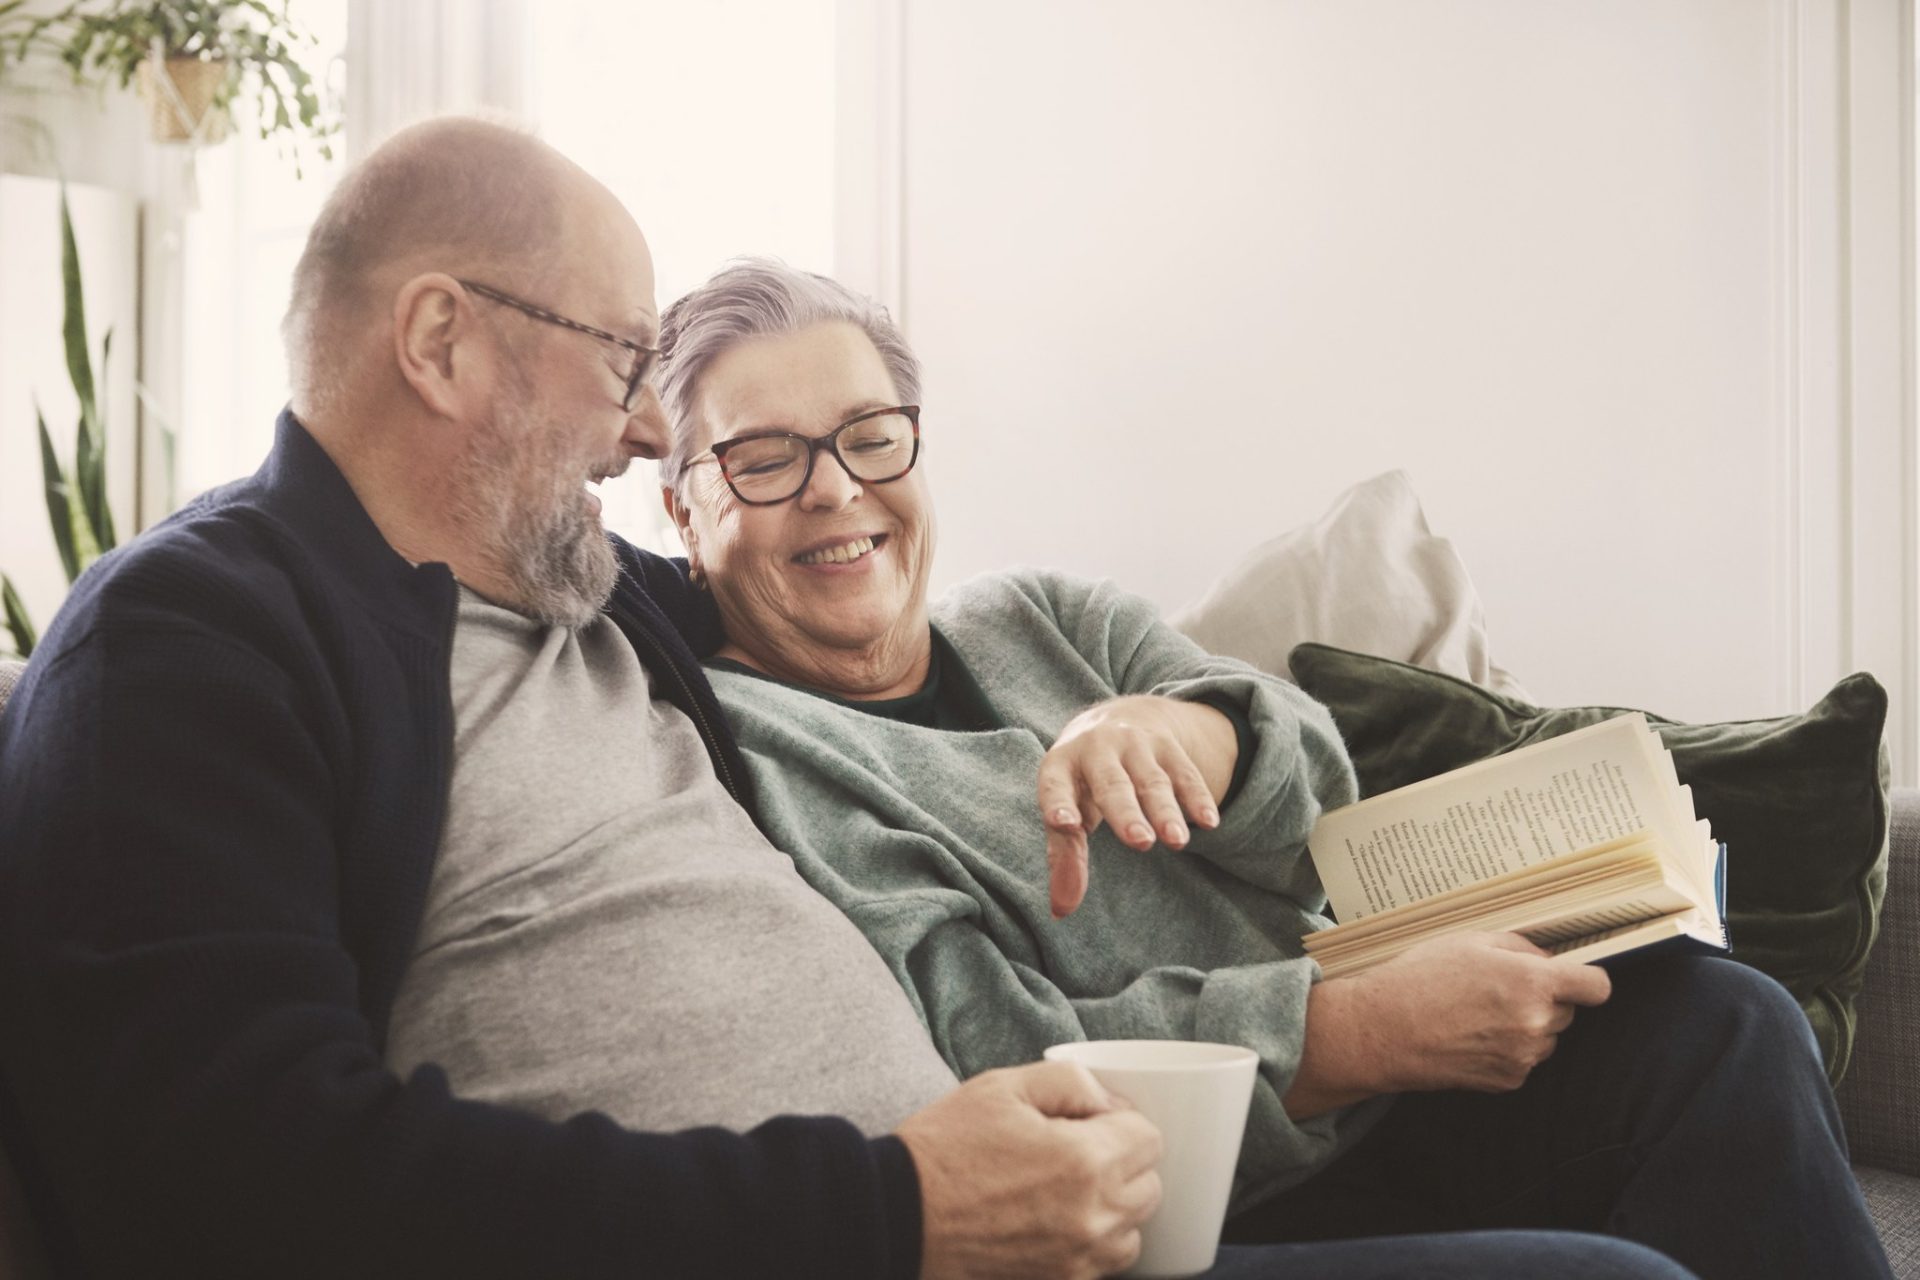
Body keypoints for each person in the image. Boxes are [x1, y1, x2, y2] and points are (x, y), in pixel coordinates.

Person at [0, 116, 1700, 1280]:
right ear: (440, 344)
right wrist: (888, 1207)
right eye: (619, 358)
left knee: (1702, 1051)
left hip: (1023, 1224)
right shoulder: (195, 642)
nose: (646, 429)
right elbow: (225, 1183)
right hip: (890, 1243)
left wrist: (1196, 718)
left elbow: (851, 579)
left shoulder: (594, 603)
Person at [655, 257, 1894, 1280]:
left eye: (872, 436)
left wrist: (1210, 731)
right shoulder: (751, 753)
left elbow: (1324, 792)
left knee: (1728, 1017)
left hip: (1394, 1108)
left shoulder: (1044, 614)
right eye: (766, 459)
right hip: (1186, 1205)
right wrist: (1357, 1031)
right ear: (684, 511)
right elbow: (988, 1049)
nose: (837, 491)